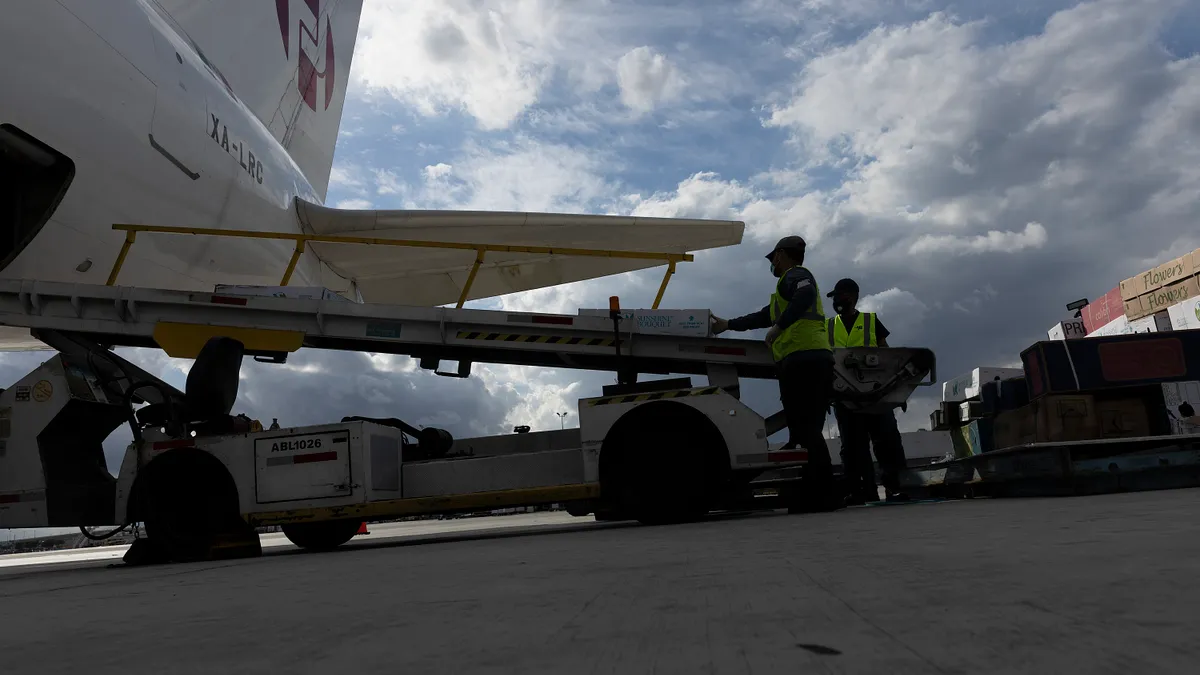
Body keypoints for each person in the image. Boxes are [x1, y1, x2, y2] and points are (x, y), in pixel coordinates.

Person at [711, 236, 842, 513]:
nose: (772, 263)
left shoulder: (796, 276)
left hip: (803, 359)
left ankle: (823, 497)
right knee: (807, 431)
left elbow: (803, 296)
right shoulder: (785, 292)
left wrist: (778, 328)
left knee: (805, 430)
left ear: (782, 255)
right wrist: (728, 325)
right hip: (812, 359)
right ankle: (821, 495)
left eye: (773, 258)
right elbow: (761, 316)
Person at [825, 278, 909, 504]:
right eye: (834, 298)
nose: (836, 301)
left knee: (887, 442)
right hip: (846, 397)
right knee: (852, 447)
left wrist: (896, 391)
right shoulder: (829, 326)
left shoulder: (871, 321)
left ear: (852, 296)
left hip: (876, 395)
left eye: (839, 296)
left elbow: (887, 355)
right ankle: (861, 490)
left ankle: (896, 488)